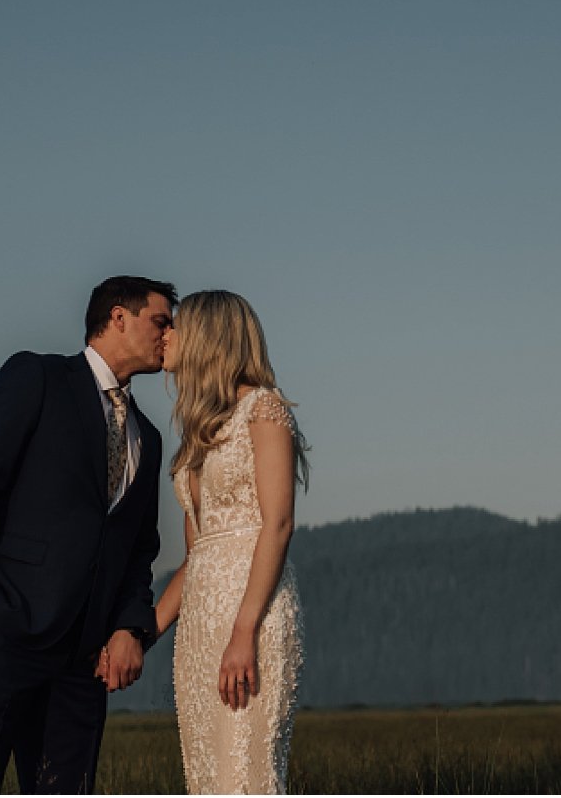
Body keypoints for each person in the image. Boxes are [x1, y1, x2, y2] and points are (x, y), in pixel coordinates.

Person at [0, 276, 177, 794]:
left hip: (82, 662)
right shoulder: (36, 376)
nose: (170, 335)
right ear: (118, 317)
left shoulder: (147, 438)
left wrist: (129, 626)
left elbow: (138, 551)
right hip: (1, 634)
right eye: (161, 320)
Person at [150, 290, 311, 794]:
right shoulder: (196, 436)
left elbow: (278, 524)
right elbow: (195, 558)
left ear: (207, 337)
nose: (165, 335)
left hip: (251, 620)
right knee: (207, 778)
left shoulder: (264, 410)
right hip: (199, 629)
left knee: (245, 776)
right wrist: (141, 632)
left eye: (176, 327)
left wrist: (244, 633)